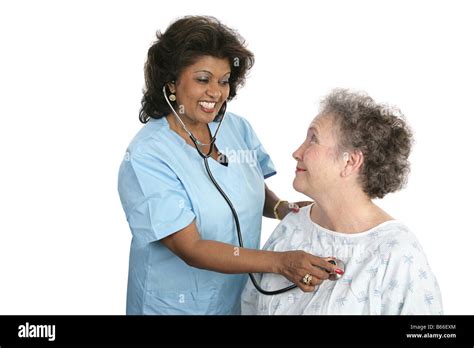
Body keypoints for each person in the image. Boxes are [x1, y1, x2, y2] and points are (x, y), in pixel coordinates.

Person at [117, 16, 338, 315]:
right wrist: (281, 262)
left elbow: (243, 183)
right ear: (171, 83)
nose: (216, 93)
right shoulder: (147, 156)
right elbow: (191, 248)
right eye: (203, 79)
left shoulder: (235, 128)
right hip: (174, 307)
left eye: (223, 81)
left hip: (234, 299)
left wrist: (280, 208)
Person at [241, 89, 443, 315]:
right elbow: (250, 304)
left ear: (351, 162)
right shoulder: (293, 226)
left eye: (313, 139)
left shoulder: (397, 254)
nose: (296, 152)